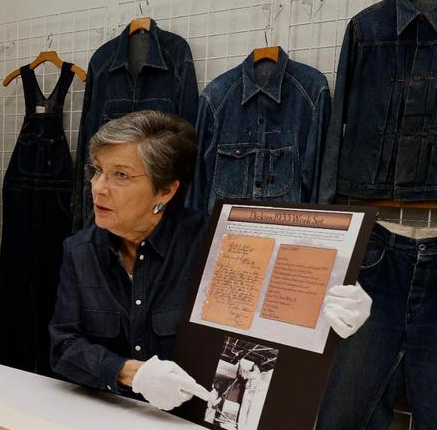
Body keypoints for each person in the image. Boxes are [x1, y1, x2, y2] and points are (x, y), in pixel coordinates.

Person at [49, 110, 370, 411]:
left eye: (120, 175)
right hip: (109, 417)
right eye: (97, 170)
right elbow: (63, 347)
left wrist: (330, 305)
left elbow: (275, 320)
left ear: (165, 191)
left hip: (195, 427)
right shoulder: (80, 250)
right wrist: (129, 373)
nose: (98, 188)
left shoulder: (218, 243)